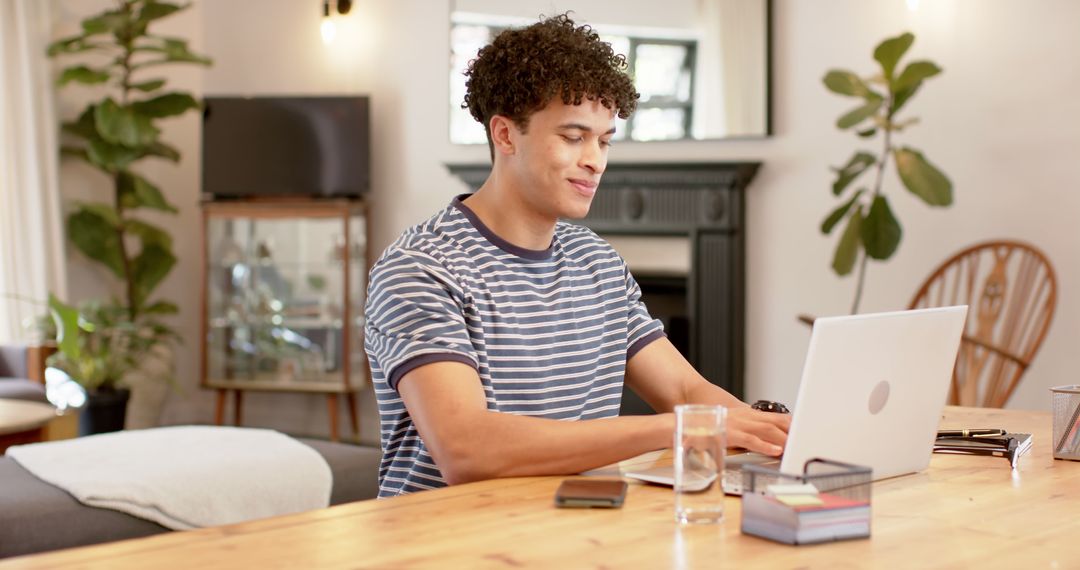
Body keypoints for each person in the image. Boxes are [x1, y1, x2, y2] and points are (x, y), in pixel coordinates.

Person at [364, 13, 789, 497]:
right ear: (505, 135)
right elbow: (467, 449)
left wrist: (767, 434)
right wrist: (681, 428)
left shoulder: (598, 264)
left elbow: (686, 393)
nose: (596, 160)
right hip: (446, 542)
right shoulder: (421, 267)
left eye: (604, 140)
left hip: (576, 527)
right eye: (573, 137)